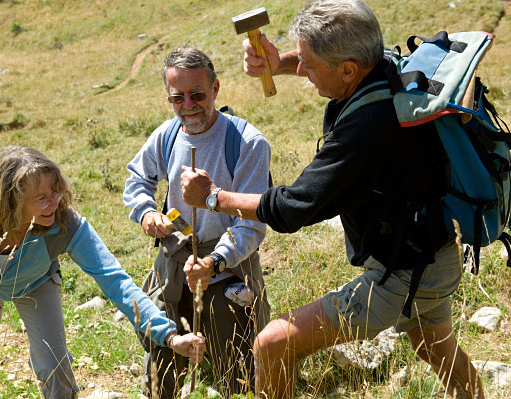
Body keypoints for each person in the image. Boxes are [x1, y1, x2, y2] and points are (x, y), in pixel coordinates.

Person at [180, 1, 484, 398]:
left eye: (307, 63)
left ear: (348, 70)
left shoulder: (366, 131)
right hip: (433, 255)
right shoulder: (390, 68)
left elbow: (292, 207)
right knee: (433, 348)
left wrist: (213, 197)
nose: (302, 71)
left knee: (272, 345)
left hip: (400, 275)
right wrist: (278, 62)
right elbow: (335, 63)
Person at [0, 145, 205, 399]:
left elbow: (114, 279)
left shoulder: (65, 223)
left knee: (54, 363)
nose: (53, 203)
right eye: (40, 198)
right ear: (10, 199)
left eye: (56, 192)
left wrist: (168, 336)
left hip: (36, 283)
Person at [123, 46, 272, 398]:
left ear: (216, 89)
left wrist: (213, 262)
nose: (187, 105)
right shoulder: (167, 135)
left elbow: (252, 223)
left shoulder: (247, 143)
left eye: (197, 94)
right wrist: (146, 213)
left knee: (237, 371)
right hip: (175, 260)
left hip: (227, 266)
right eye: (177, 97)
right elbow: (136, 180)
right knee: (161, 349)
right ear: (168, 96)